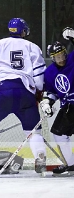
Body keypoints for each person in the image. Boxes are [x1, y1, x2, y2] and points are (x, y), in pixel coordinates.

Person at [0, 18, 47, 178]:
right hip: (25, 94)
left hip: (4, 92)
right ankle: (40, 160)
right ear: (23, 31)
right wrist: (39, 91)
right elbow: (39, 76)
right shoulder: (33, 47)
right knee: (34, 131)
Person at [40, 27, 74, 177]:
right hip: (68, 107)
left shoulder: (73, 59)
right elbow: (52, 92)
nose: (60, 59)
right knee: (58, 134)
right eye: (56, 56)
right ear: (52, 58)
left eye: (61, 55)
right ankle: (71, 164)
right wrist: (47, 102)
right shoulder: (49, 73)